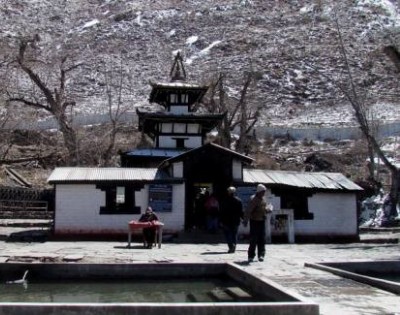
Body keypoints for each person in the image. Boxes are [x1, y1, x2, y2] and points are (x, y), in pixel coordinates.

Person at [243, 184, 273, 262]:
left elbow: (264, 208)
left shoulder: (263, 199)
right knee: (253, 239)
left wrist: (268, 209)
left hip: (262, 220)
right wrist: (245, 220)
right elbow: (248, 211)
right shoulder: (253, 199)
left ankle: (261, 255)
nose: (264, 193)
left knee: (262, 239)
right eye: (263, 192)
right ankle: (251, 255)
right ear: (259, 192)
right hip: (254, 221)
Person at [219, 186, 243, 253]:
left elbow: (221, 211)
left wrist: (220, 220)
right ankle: (234, 245)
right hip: (235, 220)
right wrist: (242, 218)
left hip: (226, 220)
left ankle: (231, 246)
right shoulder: (239, 201)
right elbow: (241, 211)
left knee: (228, 234)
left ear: (228, 192)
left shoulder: (224, 201)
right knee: (234, 234)